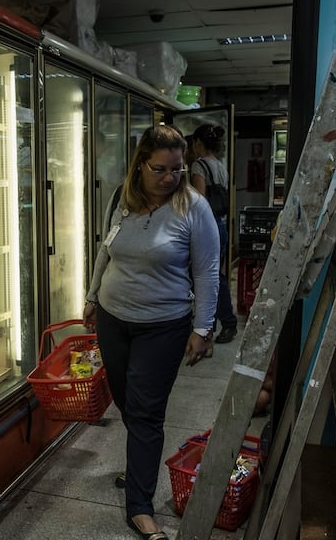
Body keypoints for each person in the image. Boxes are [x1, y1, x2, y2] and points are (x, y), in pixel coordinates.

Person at [82, 124, 219, 540]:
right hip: (112, 317)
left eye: (177, 169)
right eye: (160, 169)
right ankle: (140, 466)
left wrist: (203, 326)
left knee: (145, 412)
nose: (170, 177)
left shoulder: (193, 207)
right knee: (127, 403)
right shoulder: (121, 199)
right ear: (141, 165)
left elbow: (208, 271)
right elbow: (106, 248)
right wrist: (91, 296)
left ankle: (139, 506)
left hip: (163, 326)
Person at [187, 123, 238, 346]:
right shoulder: (219, 165)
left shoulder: (199, 166)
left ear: (198, 143)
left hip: (208, 226)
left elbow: (199, 201)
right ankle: (221, 324)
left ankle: (220, 324)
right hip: (221, 225)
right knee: (216, 276)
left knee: (209, 277)